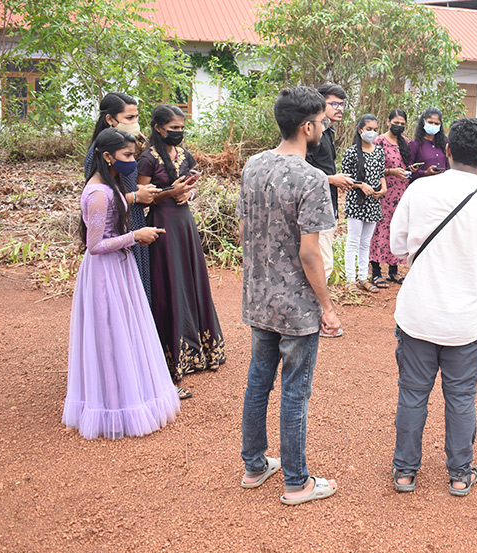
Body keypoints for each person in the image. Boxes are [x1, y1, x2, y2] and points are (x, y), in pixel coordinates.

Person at [389, 117, 477, 496]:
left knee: (412, 395)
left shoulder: (419, 190)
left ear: (447, 150)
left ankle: (404, 472)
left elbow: (397, 247)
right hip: (464, 322)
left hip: (417, 316)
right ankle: (460, 474)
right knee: (461, 399)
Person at [237, 86, 342, 505]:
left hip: (258, 296)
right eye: (322, 121)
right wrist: (327, 306)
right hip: (296, 304)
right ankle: (297, 481)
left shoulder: (253, 166)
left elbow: (246, 230)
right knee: (295, 390)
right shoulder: (311, 178)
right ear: (307, 127)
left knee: (258, 381)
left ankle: (254, 465)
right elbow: (310, 252)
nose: (325, 127)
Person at [63, 127, 179, 439]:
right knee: (109, 335)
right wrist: (134, 236)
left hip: (118, 268)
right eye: (127, 155)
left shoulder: (107, 184)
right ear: (107, 157)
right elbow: (95, 245)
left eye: (133, 155)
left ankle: (127, 396)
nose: (132, 161)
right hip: (105, 273)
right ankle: (113, 407)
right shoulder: (98, 193)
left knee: (123, 331)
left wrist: (133, 210)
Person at [137, 105, 225, 400]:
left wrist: (188, 193)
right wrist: (169, 193)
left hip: (185, 222)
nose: (178, 132)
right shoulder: (148, 158)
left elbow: (191, 187)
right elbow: (142, 198)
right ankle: (174, 353)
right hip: (162, 224)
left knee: (190, 279)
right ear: (158, 127)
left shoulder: (185, 155)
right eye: (173, 127)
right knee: (171, 282)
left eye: (181, 127)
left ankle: (201, 350)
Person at [83, 92, 161, 303]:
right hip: (118, 230)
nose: (135, 122)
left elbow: (119, 185)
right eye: (129, 117)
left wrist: (141, 190)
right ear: (110, 119)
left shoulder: (124, 147)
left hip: (133, 221)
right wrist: (135, 196)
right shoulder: (98, 154)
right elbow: (99, 199)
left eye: (136, 117)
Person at [305, 83, 353, 338]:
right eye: (334, 103)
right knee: (321, 264)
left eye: (342, 104)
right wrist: (332, 179)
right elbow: (304, 169)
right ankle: (317, 321)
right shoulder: (312, 134)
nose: (339, 108)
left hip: (328, 204)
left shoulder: (328, 132)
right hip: (314, 208)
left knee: (323, 263)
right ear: (320, 104)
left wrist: (335, 181)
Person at [340, 114, 387, 293]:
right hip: (356, 202)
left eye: (375, 129)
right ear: (360, 130)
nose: (372, 133)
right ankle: (350, 279)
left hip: (373, 202)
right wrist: (361, 185)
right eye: (369, 129)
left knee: (366, 242)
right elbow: (344, 178)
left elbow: (381, 174)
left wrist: (383, 188)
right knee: (353, 241)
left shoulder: (379, 151)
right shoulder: (351, 152)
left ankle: (363, 278)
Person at [369, 109, 411, 286]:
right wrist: (391, 171)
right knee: (379, 230)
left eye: (402, 124)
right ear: (388, 122)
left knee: (397, 229)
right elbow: (372, 166)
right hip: (383, 192)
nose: (399, 126)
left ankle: (393, 270)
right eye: (396, 123)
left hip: (401, 192)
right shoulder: (379, 141)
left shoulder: (405, 142)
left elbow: (406, 163)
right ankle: (376, 272)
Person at [408, 107, 448, 181]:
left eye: (436, 124)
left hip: (442, 184)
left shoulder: (444, 142)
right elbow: (409, 171)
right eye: (430, 122)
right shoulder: (415, 144)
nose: (433, 125)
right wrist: (425, 173)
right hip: (423, 185)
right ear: (424, 122)